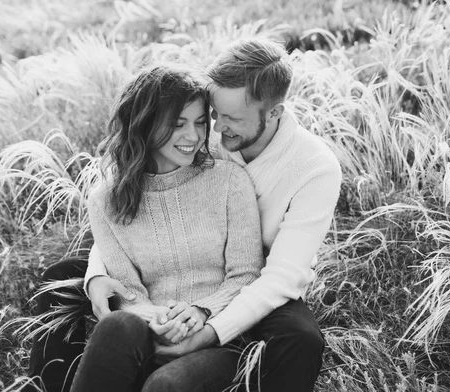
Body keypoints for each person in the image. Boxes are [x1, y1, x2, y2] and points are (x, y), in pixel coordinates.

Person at [25, 37, 342, 392]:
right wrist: (99, 277)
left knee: (300, 338)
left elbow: (275, 275)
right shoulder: (205, 135)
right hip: (163, 273)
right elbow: (125, 224)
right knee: (64, 279)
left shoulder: (313, 168)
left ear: (273, 113)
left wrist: (206, 328)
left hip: (257, 280)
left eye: (229, 119)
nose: (215, 131)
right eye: (214, 115)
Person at [23, 62, 265, 392]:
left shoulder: (229, 182)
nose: (192, 136)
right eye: (177, 124)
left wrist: (201, 311)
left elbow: (246, 273)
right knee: (118, 325)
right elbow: (127, 291)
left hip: (220, 335)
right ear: (145, 125)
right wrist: (161, 323)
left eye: (199, 122)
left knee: (165, 384)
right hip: (149, 332)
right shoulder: (105, 201)